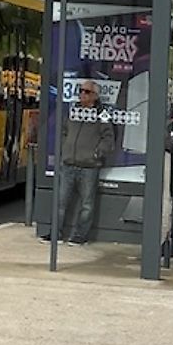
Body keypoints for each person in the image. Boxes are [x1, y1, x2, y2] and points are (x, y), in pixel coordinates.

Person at [41, 80, 115, 246]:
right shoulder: (73, 111)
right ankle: (55, 233)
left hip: (89, 166)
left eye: (86, 92)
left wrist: (96, 153)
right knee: (60, 201)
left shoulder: (102, 115)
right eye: (81, 91)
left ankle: (80, 236)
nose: (82, 94)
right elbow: (64, 130)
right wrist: (64, 148)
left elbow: (109, 139)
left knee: (87, 204)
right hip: (68, 164)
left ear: (95, 96)